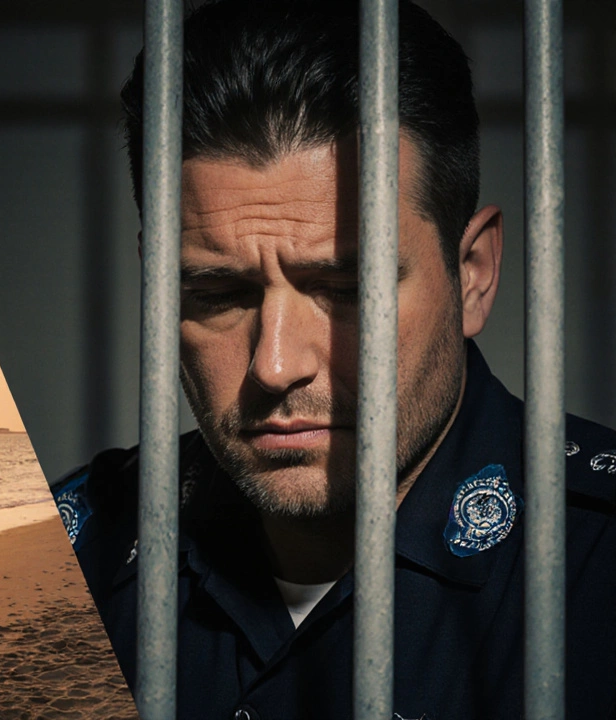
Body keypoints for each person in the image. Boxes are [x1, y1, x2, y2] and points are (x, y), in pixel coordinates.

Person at [50, 1, 616, 717]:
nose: (276, 365)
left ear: (472, 274)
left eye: (347, 289)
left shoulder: (597, 562)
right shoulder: (68, 558)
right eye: (219, 293)